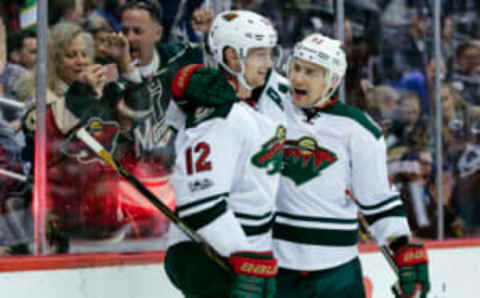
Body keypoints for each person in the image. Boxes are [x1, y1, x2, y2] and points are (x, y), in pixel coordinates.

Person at [272, 33, 430, 298]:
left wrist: (403, 249)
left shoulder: (358, 129)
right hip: (279, 266)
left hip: (337, 273)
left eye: (311, 72)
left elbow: (377, 199)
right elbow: (241, 66)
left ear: (333, 81)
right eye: (296, 68)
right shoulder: (272, 103)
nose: (298, 78)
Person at [164, 10, 289, 298]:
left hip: (246, 252)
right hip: (211, 254)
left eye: (270, 54)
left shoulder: (253, 104)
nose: (268, 64)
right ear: (233, 57)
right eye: (259, 54)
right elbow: (199, 199)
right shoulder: (220, 116)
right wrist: (243, 257)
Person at [105, 0, 205, 158]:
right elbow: (137, 121)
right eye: (124, 31)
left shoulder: (181, 58)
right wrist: (126, 69)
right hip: (134, 169)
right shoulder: (109, 75)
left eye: (137, 31)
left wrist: (209, 34)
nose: (129, 39)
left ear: (157, 34)